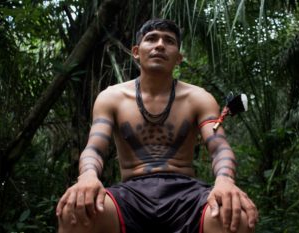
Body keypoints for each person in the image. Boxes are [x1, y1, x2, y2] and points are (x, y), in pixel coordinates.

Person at [56, 18, 258, 233]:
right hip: (130, 194)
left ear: (179, 58)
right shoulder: (112, 97)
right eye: (151, 39)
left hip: (185, 193)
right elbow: (94, 148)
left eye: (169, 41)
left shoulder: (198, 98)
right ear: (136, 51)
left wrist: (225, 181)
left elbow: (219, 148)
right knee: (75, 213)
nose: (160, 45)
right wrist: (87, 175)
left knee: (235, 217)